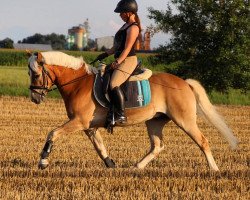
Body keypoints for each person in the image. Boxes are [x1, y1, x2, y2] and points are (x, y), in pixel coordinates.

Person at [95, 0, 141, 125]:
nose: (120, 15)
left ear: (129, 13)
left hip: (128, 60)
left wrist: (117, 61)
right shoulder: (125, 26)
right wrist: (104, 54)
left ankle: (121, 115)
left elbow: (127, 48)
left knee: (114, 83)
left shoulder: (134, 27)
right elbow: (116, 47)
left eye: (121, 13)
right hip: (121, 59)